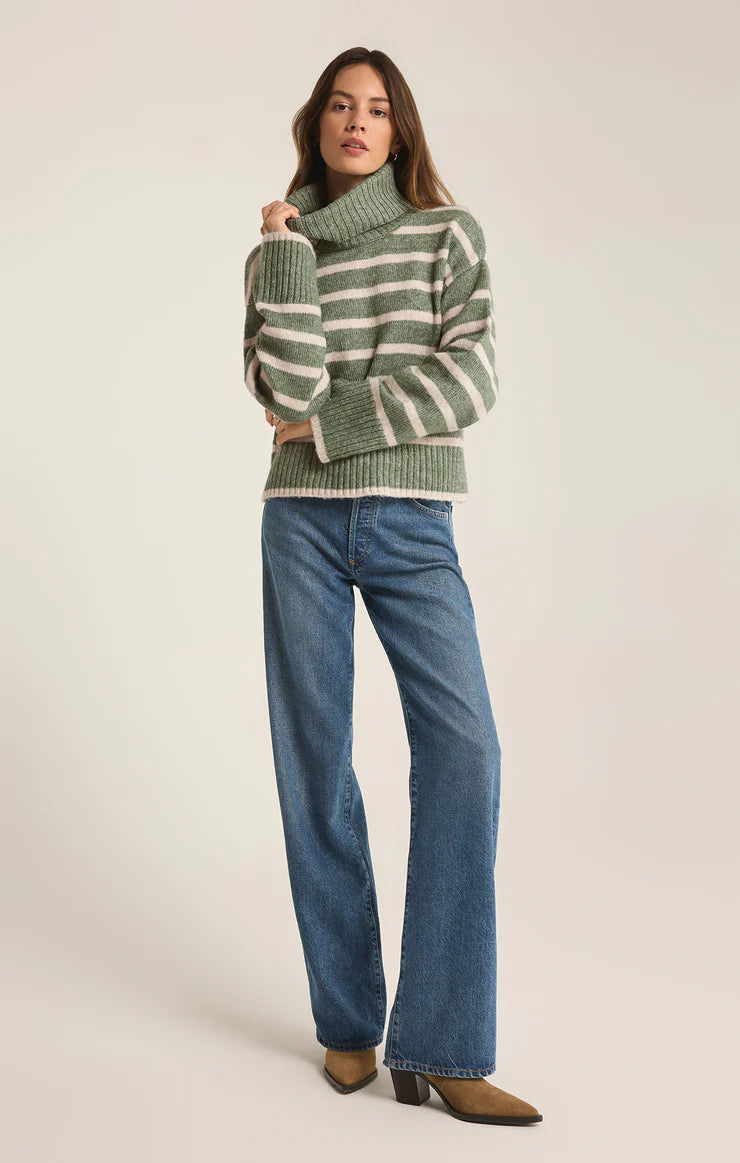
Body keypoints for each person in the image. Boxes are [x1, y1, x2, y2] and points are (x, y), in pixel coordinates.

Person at [242, 47, 542, 1127]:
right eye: (340, 104)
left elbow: (472, 377)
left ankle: (445, 1043)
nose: (357, 121)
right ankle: (347, 1019)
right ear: (316, 122)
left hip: (412, 521)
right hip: (300, 527)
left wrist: (333, 427)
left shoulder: (447, 235)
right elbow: (281, 387)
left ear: (400, 129)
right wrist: (285, 254)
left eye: (376, 108)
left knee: (465, 751)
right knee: (314, 765)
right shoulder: (278, 253)